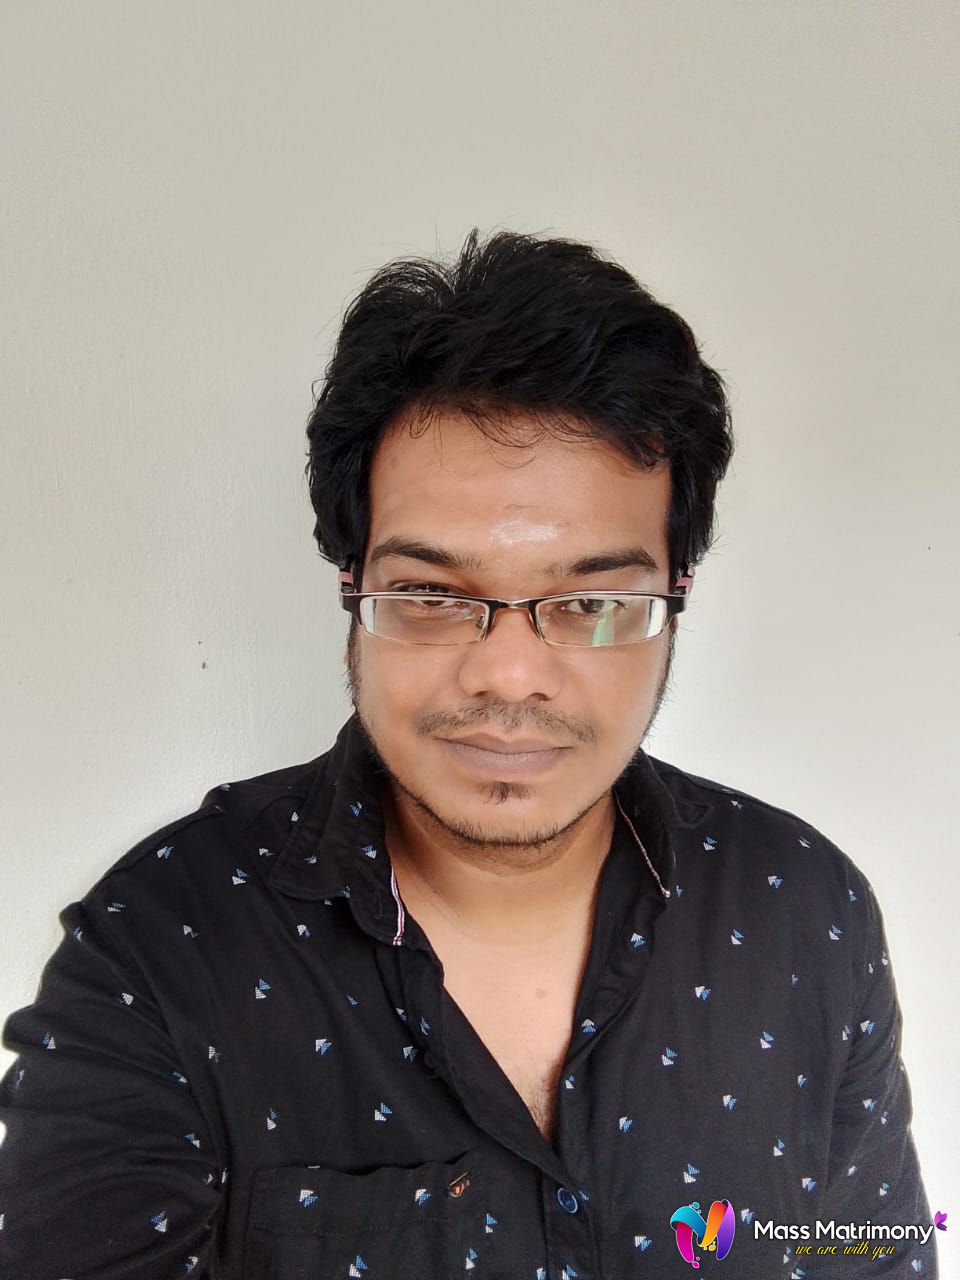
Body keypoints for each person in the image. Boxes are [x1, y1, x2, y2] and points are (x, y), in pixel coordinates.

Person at [0, 229, 934, 1279]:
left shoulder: (806, 908)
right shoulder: (157, 950)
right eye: (432, 594)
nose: (510, 675)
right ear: (353, 588)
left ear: (674, 601)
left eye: (591, 601)